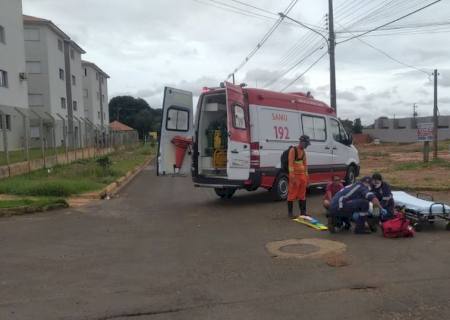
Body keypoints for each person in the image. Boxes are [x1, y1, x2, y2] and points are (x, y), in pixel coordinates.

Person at [287, 135, 311, 219]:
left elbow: (305, 165)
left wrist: (307, 178)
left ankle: (303, 212)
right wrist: (292, 177)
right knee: (292, 194)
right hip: (295, 177)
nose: (307, 146)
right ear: (302, 142)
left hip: (302, 176)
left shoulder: (303, 152)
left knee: (302, 194)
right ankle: (290, 213)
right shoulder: (293, 150)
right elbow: (290, 164)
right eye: (306, 144)